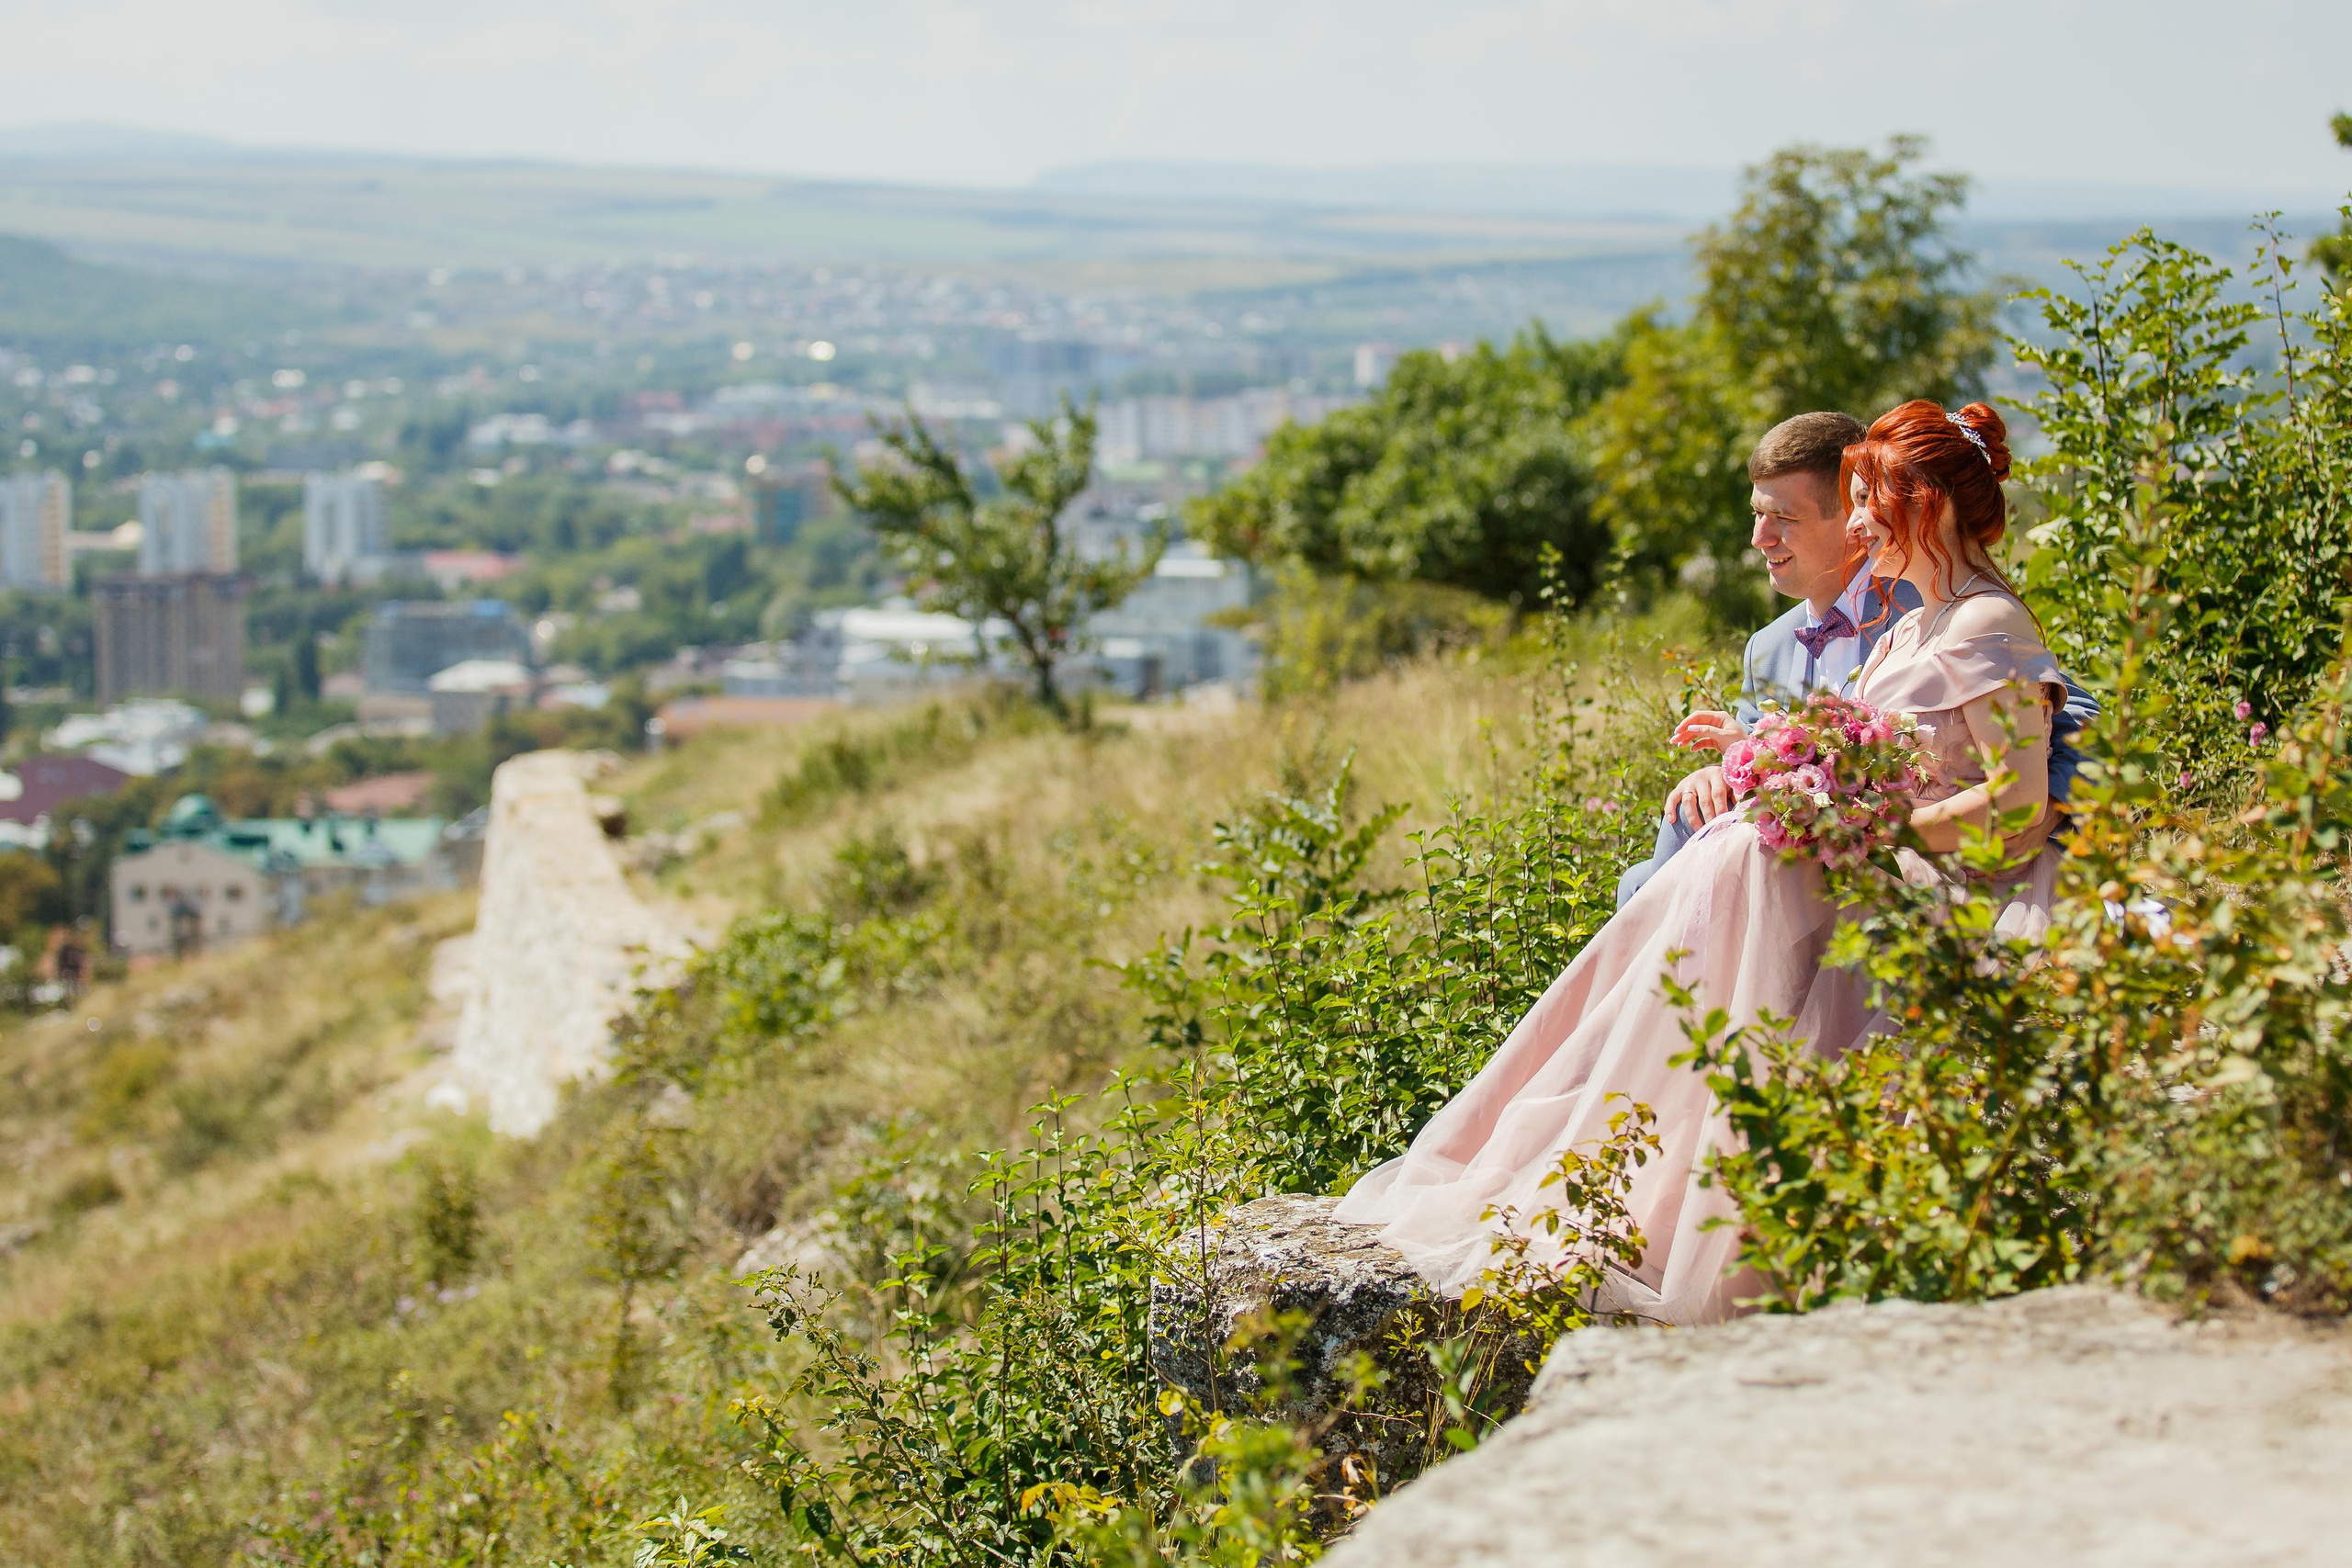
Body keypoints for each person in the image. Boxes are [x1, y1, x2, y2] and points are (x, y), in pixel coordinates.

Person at [1334, 400, 2070, 1325]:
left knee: (1747, 859)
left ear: (1921, 506)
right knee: (1738, 852)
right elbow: (1868, 756)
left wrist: (1864, 825)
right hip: (1878, 863)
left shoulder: (1988, 624)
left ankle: (1678, 1198)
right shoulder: (1910, 630)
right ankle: (1609, 1164)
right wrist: (1798, 776)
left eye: (1869, 503)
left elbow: (2018, 807)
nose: (1856, 525)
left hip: (1955, 885)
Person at [1613, 413, 2098, 908]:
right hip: (1831, 869)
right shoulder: (1768, 648)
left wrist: (2044, 811)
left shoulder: (1933, 607)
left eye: (1784, 517)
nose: (1760, 537)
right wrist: (1724, 770)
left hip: (1922, 880)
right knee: (1672, 853)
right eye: (1756, 514)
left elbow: (2077, 716)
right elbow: (1772, 759)